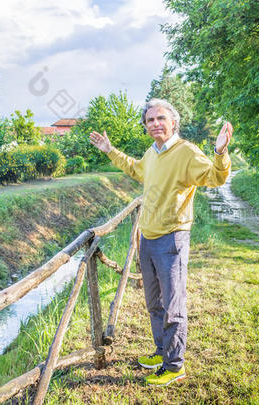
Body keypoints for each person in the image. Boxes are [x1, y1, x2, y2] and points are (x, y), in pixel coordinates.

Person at [89, 98, 232, 386]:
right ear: (146, 126)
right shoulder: (152, 153)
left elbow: (215, 176)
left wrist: (219, 152)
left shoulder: (187, 153)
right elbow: (136, 169)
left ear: (173, 122)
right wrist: (110, 151)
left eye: (160, 118)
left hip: (172, 239)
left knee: (173, 305)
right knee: (154, 303)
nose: (155, 123)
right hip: (148, 238)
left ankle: (175, 364)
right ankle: (161, 351)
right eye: (150, 120)